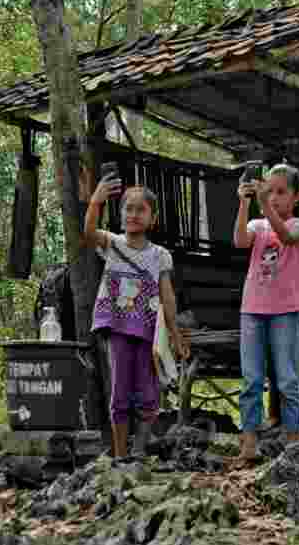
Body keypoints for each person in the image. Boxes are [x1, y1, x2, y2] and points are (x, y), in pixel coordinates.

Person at [85, 175, 190, 460]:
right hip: (118, 328)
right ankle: (120, 457)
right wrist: (96, 200)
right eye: (128, 209)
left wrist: (176, 336)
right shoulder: (113, 244)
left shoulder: (160, 256)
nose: (133, 214)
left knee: (148, 392)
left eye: (140, 209)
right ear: (120, 215)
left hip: (147, 332)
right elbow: (89, 231)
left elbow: (168, 299)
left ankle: (139, 451)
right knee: (120, 392)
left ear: (152, 218)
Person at [233, 164, 299, 462]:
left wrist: (265, 203)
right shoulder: (258, 225)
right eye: (271, 190)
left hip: (286, 311)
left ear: (297, 196)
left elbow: (288, 236)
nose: (275, 197)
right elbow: (240, 241)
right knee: (251, 378)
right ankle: (250, 441)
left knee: (287, 378)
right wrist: (244, 202)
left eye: (282, 192)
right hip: (252, 309)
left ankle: (294, 438)